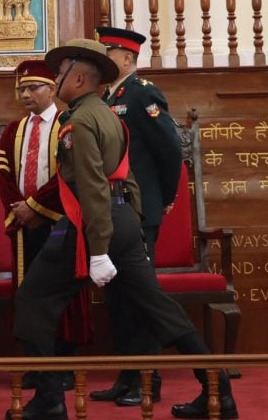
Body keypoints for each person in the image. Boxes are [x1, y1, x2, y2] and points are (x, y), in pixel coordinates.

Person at [9, 39, 238, 420]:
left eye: (60, 72)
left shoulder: (79, 122)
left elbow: (93, 186)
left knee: (32, 300)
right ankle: (219, 392)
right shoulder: (106, 114)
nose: (55, 78)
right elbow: (125, 176)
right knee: (157, 306)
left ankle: (49, 399)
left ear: (78, 78)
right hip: (123, 222)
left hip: (91, 226)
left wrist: (99, 248)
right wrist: (130, 224)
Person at [89, 26, 184, 407]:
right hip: (114, 211)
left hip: (139, 210)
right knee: (118, 298)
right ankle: (127, 377)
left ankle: (147, 381)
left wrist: (164, 197)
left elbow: (170, 150)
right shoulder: (107, 97)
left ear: (127, 58)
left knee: (140, 297)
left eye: (108, 53)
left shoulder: (143, 93)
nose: (103, 60)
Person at [0, 59, 91, 392]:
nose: (25, 94)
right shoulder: (13, 130)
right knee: (27, 294)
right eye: (21, 88)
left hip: (61, 222)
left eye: (33, 87)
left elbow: (68, 174)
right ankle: (36, 362)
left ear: (51, 89)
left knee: (60, 296)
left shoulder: (68, 124)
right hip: (24, 226)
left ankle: (62, 364)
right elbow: (3, 175)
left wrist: (35, 207)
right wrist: (20, 210)